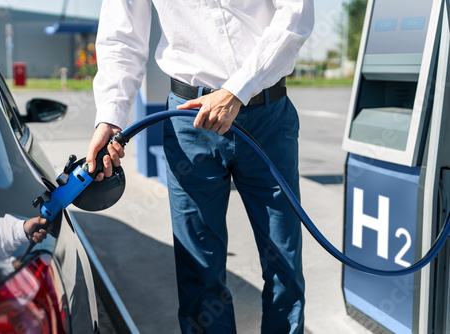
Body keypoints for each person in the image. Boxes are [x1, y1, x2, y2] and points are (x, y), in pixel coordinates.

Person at [87, 0, 314, 332]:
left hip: (267, 116)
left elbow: (296, 13)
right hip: (190, 121)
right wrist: (110, 116)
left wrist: (236, 90)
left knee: (284, 264)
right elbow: (122, 37)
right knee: (199, 269)